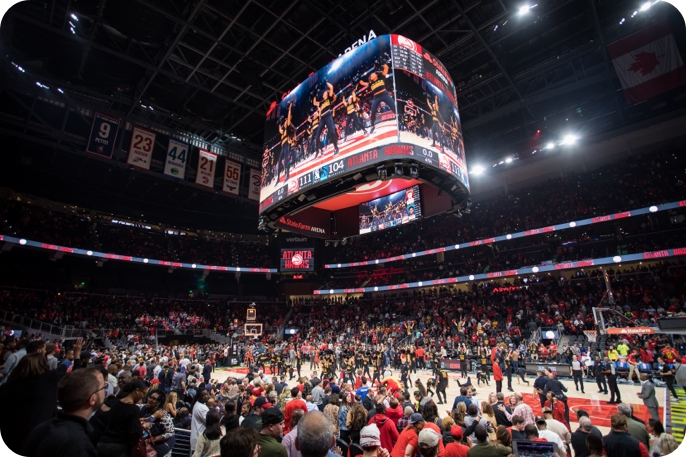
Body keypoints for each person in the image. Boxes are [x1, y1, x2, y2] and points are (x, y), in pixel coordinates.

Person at [23, 368, 104, 456]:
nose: (105, 391)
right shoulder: (79, 446)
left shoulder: (41, 428)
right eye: (103, 387)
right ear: (92, 399)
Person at [0, 352, 61, 453]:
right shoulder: (50, 381)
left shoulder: (7, 387)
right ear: (44, 366)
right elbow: (75, 380)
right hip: (37, 440)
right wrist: (77, 357)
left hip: (9, 438)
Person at [97, 379, 146, 457]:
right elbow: (133, 432)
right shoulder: (133, 408)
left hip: (103, 444)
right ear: (137, 390)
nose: (143, 396)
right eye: (143, 393)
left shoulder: (117, 403)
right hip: (119, 447)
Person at [139, 389, 176, 457]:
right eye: (150, 397)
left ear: (158, 402)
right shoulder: (142, 408)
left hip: (159, 448)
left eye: (153, 399)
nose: (149, 399)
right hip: (143, 446)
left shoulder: (164, 415)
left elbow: (170, 433)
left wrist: (153, 439)